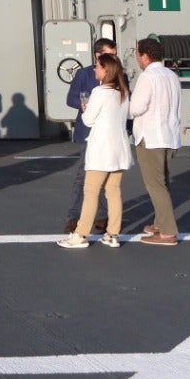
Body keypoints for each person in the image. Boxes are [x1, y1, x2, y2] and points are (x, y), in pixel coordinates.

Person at [58, 53, 131, 250]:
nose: (94, 69)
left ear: (106, 70)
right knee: (113, 191)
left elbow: (88, 120)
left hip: (101, 149)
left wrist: (86, 107)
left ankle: (80, 234)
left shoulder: (99, 92)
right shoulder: (122, 92)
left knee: (90, 191)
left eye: (98, 66)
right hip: (119, 149)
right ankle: (113, 234)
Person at [62, 38, 118, 233]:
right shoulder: (84, 74)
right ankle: (74, 217)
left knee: (107, 177)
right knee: (84, 175)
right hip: (89, 132)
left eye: (115, 54)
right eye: (110, 54)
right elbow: (71, 98)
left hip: (108, 133)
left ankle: (102, 215)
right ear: (98, 55)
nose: (114, 58)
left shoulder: (119, 75)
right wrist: (83, 105)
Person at [131, 38, 183, 246]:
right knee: (163, 182)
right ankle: (160, 224)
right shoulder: (172, 75)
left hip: (151, 136)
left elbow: (136, 107)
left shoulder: (147, 77)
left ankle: (168, 232)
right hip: (170, 135)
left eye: (137, 54)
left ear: (144, 55)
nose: (137, 58)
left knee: (155, 185)